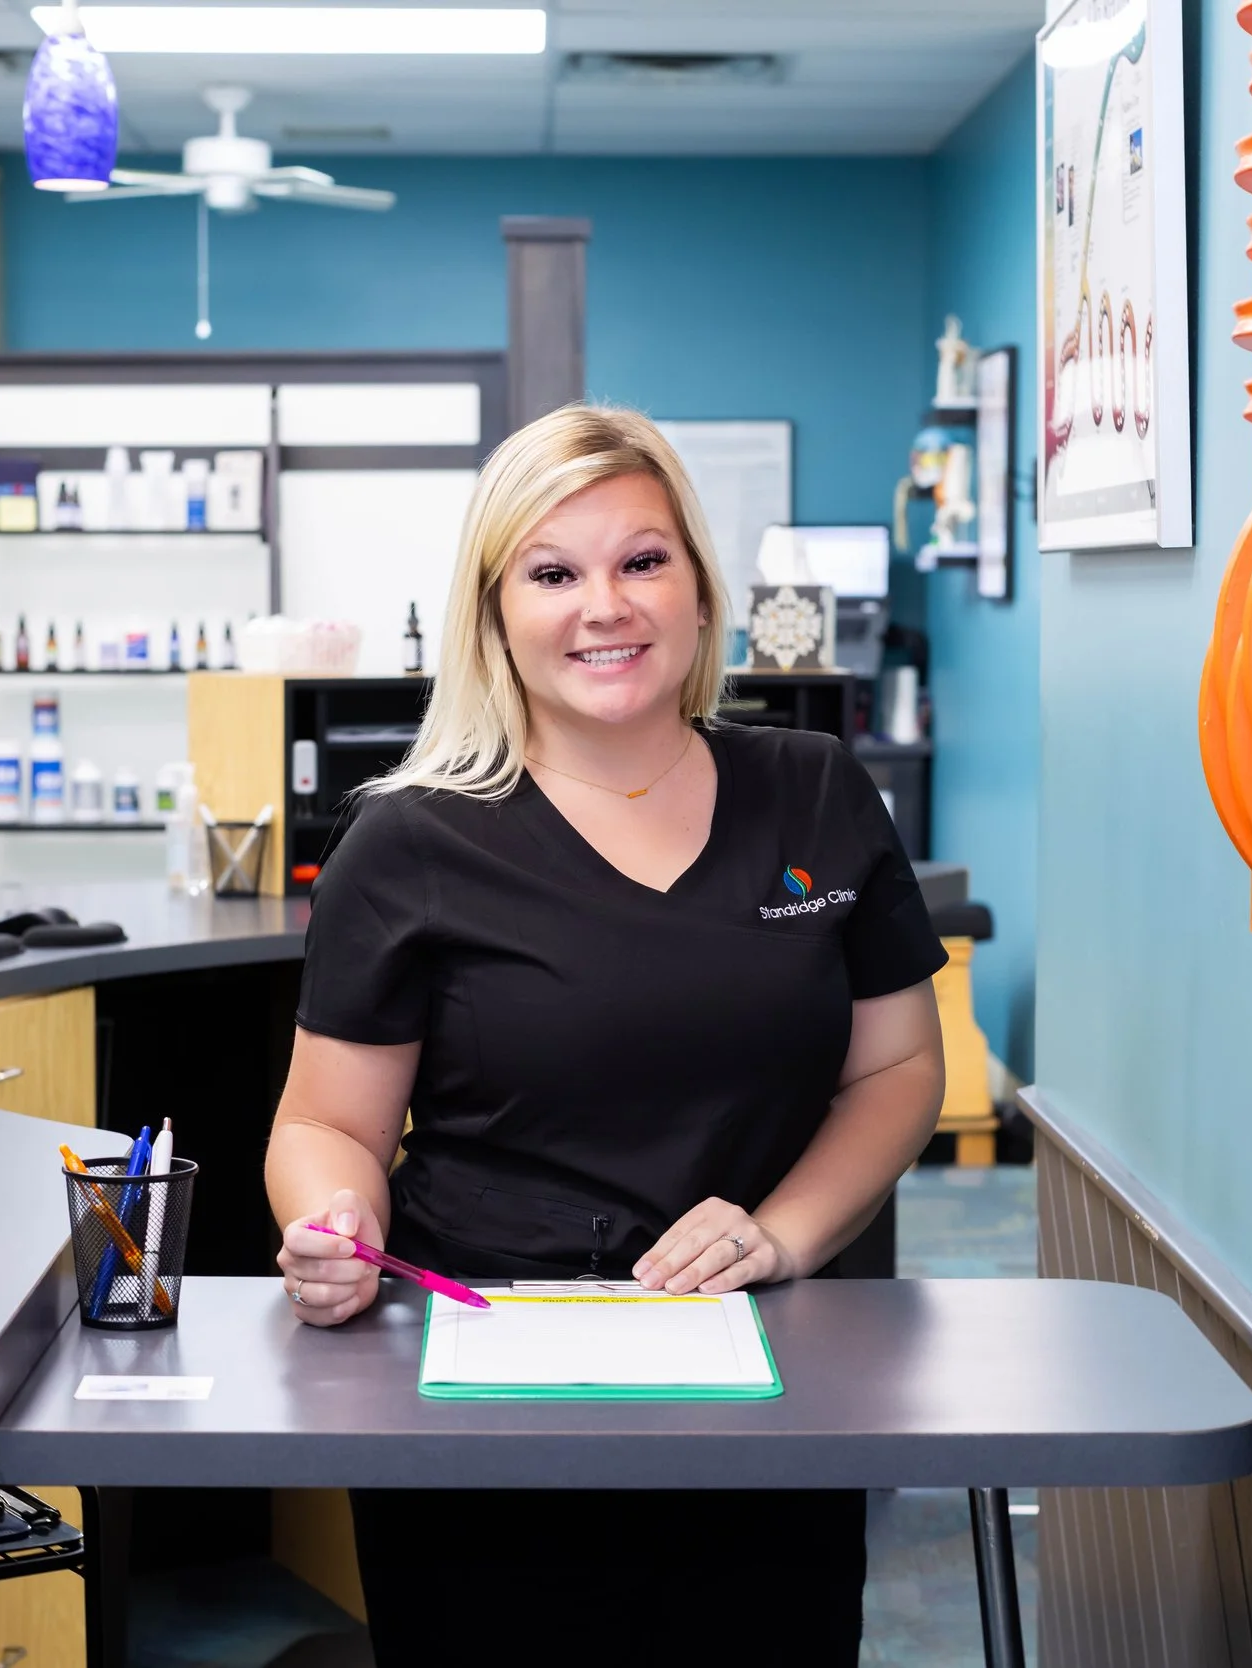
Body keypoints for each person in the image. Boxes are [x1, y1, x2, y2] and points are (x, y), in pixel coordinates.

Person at [264, 404, 947, 1665]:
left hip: (765, 1368)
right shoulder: (406, 840)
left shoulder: (814, 790)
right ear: (493, 612)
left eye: (641, 560)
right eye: (552, 571)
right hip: (488, 1371)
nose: (605, 606)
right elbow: (324, 1124)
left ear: (696, 586)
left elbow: (900, 1069)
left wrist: (780, 1235)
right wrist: (332, 1224)